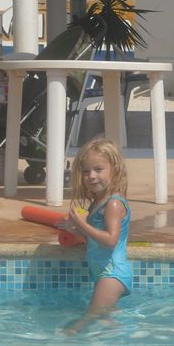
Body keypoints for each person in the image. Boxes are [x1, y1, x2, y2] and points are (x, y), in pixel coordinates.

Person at [56, 138, 131, 333]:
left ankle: (65, 340)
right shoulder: (98, 202)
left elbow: (110, 240)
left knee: (88, 318)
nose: (91, 176)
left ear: (115, 170)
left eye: (98, 169)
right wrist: (74, 229)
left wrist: (81, 223)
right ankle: (119, 344)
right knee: (105, 319)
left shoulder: (113, 204)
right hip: (103, 271)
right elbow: (94, 239)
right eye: (86, 171)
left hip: (112, 273)